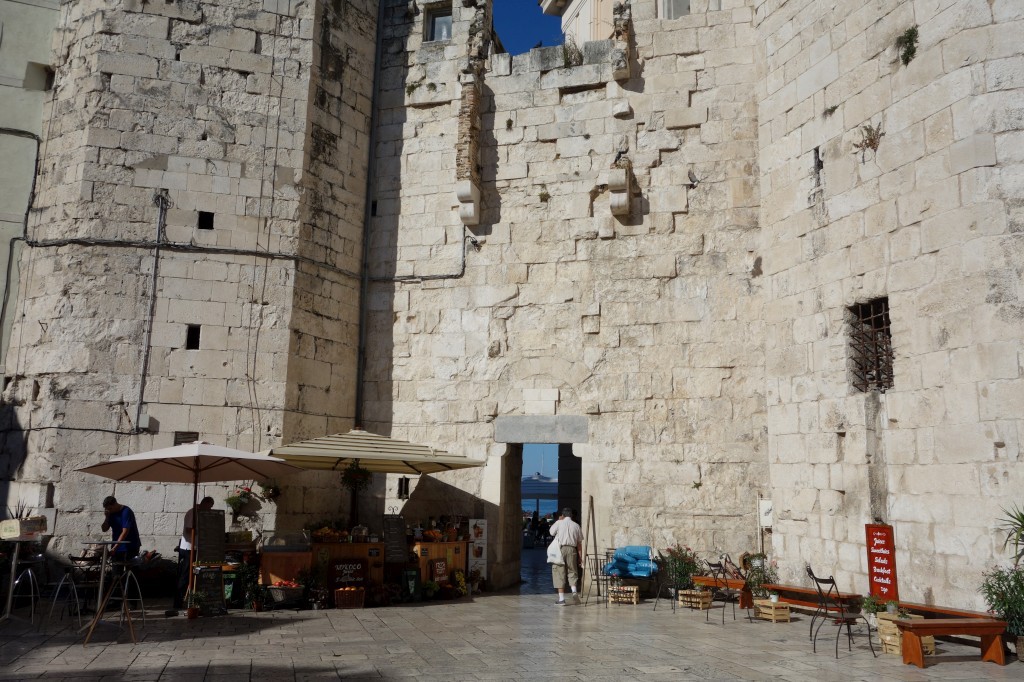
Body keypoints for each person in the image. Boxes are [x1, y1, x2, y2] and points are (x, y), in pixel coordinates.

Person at [175, 496, 214, 609]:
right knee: (186, 575)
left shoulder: (200, 513)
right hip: (188, 548)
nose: (210, 509)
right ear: (205, 503)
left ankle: (191, 599)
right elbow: (189, 530)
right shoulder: (192, 513)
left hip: (196, 547)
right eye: (209, 507)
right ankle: (178, 601)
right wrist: (203, 531)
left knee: (193, 574)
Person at [549, 507, 583, 605]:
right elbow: (579, 543)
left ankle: (561, 599)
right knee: (572, 571)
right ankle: (574, 591)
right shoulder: (576, 525)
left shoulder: (559, 523)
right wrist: (580, 557)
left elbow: (551, 532)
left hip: (560, 549)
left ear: (562, 515)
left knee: (559, 572)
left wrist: (558, 520)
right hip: (572, 549)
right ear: (571, 515)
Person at [100, 496, 141, 560]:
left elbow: (125, 531)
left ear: (115, 504)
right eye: (108, 509)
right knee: (115, 565)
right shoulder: (111, 513)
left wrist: (115, 548)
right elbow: (104, 529)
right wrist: (107, 517)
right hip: (117, 546)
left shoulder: (126, 511)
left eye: (110, 508)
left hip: (129, 547)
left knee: (128, 565)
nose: (109, 510)